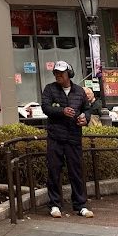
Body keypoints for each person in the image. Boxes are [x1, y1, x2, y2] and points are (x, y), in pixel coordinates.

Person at [41, 60, 93, 219]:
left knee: (76, 171)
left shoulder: (79, 91)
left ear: (68, 74)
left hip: (74, 137)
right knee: (54, 171)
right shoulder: (50, 89)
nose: (58, 76)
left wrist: (86, 118)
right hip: (55, 137)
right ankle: (55, 204)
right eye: (56, 73)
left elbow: (87, 109)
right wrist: (62, 111)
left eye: (61, 73)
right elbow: (46, 107)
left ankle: (81, 205)